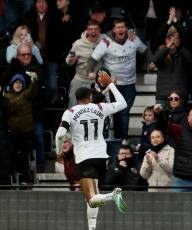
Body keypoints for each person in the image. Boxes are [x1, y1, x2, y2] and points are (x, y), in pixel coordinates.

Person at [55, 72, 128, 230]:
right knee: (95, 196)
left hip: (84, 158)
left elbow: (60, 134)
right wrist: (111, 85)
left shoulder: (71, 112)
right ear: (89, 96)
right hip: (101, 157)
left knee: (91, 198)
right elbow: (123, 104)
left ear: (76, 98)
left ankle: (112, 195)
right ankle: (92, 227)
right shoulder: (100, 107)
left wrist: (59, 152)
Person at [88, 18, 149, 143]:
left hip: (130, 84)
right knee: (116, 113)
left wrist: (150, 63)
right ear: (114, 30)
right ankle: (120, 140)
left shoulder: (134, 39)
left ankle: (123, 139)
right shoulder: (106, 42)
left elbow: (145, 51)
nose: (121, 29)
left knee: (123, 111)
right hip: (113, 85)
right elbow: (93, 59)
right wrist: (90, 72)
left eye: (123, 27)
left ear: (126, 29)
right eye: (118, 27)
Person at [5, 72, 38, 184]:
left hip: (25, 132)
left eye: (20, 82)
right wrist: (22, 97)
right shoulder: (7, 97)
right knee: (11, 156)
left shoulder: (27, 95)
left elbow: (32, 90)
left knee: (24, 157)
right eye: (16, 82)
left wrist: (34, 80)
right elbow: (10, 107)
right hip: (11, 133)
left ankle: (24, 179)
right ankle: (11, 179)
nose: (18, 85)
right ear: (12, 84)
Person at [66, 20, 102, 107]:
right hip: (80, 78)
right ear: (87, 31)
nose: (93, 31)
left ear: (99, 30)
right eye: (91, 29)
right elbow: (68, 60)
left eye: (96, 29)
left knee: (98, 107)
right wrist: (71, 60)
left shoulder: (104, 41)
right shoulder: (78, 44)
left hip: (97, 80)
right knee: (73, 105)